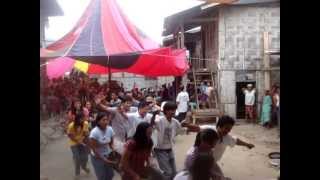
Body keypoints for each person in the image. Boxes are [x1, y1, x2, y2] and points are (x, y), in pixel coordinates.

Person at [151, 101, 199, 180]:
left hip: (169, 148)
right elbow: (152, 124)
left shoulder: (175, 122)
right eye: (170, 110)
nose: (173, 112)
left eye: (174, 110)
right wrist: (154, 114)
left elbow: (181, 130)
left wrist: (189, 127)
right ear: (165, 111)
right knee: (168, 172)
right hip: (160, 149)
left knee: (173, 172)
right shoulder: (160, 120)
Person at [89, 112, 117, 180]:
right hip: (97, 157)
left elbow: (111, 143)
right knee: (102, 177)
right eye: (103, 120)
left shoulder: (110, 129)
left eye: (107, 119)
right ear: (98, 121)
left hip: (108, 155)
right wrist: (104, 160)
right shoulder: (94, 132)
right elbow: (94, 149)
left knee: (110, 175)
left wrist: (113, 150)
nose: (106, 122)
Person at [67, 114, 90, 180]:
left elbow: (86, 134)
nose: (83, 120)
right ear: (77, 119)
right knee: (77, 158)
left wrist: (85, 138)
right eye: (81, 119)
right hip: (73, 143)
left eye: (83, 118)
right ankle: (77, 173)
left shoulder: (85, 123)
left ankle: (84, 167)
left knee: (85, 157)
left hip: (82, 142)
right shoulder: (71, 125)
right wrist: (77, 141)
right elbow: (69, 135)